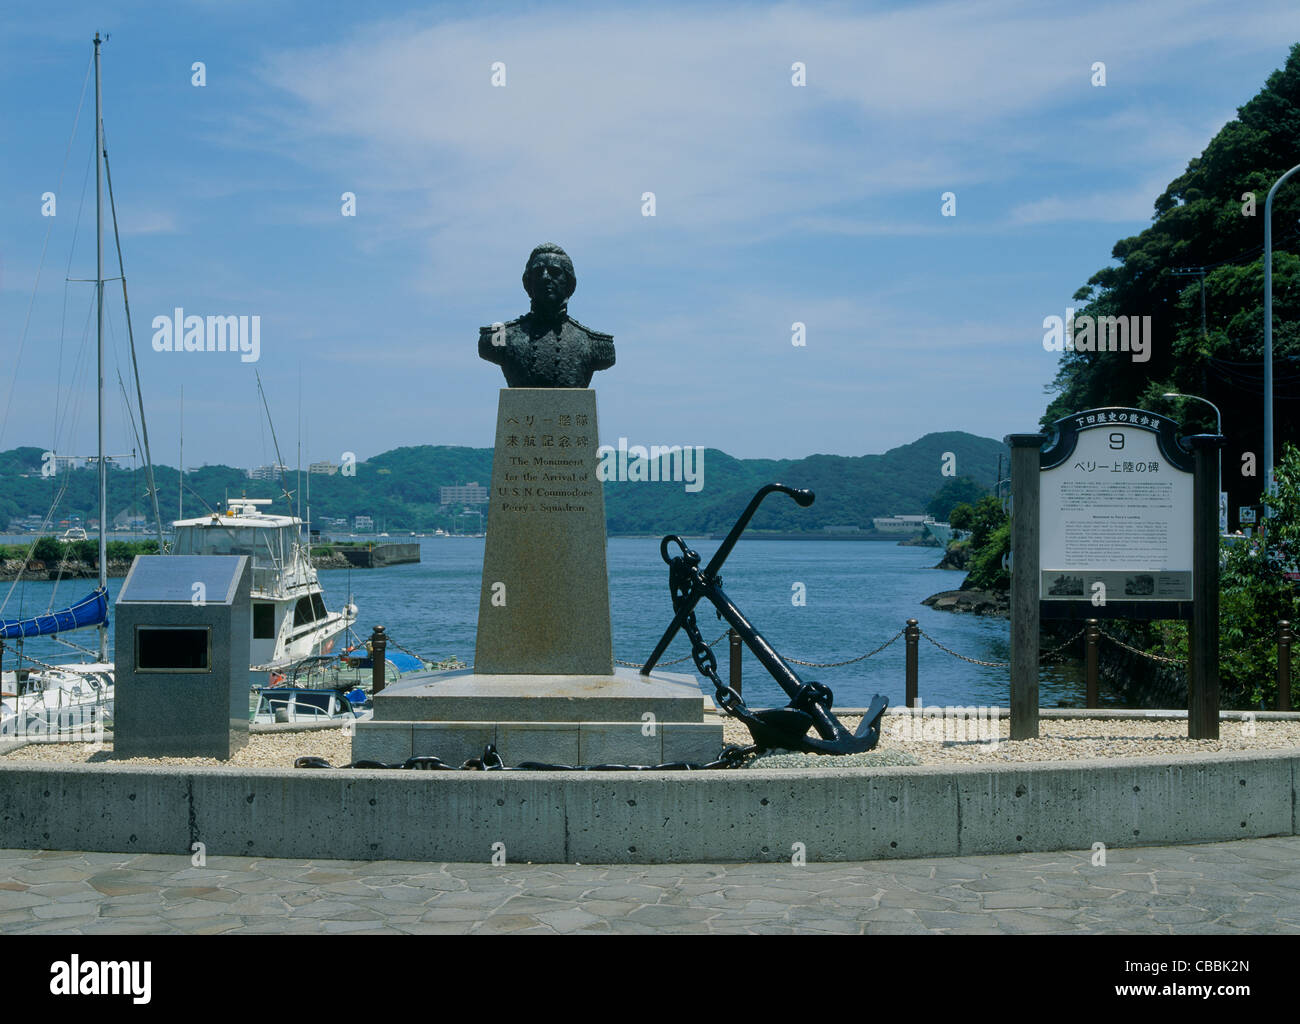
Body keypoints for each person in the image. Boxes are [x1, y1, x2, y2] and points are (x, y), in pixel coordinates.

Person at [478, 243, 615, 387]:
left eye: (554, 272)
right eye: (538, 272)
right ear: (528, 282)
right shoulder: (499, 337)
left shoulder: (594, 344)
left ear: (568, 282)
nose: (545, 277)